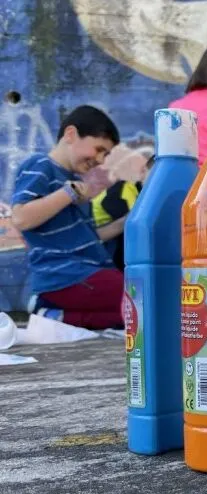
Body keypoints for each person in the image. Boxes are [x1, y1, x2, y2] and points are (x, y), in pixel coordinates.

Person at [11, 105, 125, 329]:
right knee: (144, 297)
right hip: (67, 275)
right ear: (71, 134)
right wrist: (68, 193)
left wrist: (127, 222)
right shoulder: (41, 165)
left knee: (136, 316)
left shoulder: (74, 181)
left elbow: (90, 236)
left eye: (106, 154)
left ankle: (56, 316)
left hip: (86, 275)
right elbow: (21, 218)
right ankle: (49, 311)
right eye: (99, 149)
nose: (101, 160)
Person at [91, 154, 152, 270]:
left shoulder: (142, 198)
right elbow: (136, 227)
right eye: (155, 175)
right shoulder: (125, 189)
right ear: (143, 171)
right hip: (91, 246)